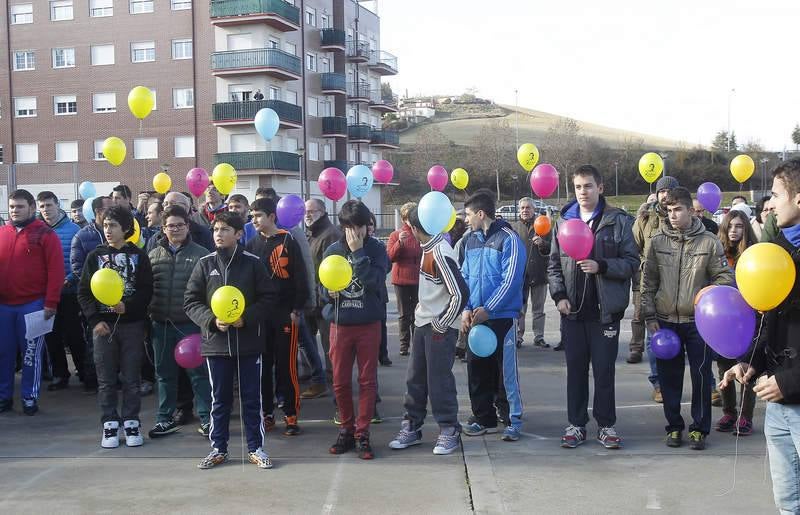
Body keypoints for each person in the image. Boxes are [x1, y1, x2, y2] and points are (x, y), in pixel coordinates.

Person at [721, 159, 800, 513]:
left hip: (792, 391)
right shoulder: (777, 249)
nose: (770, 203)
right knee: (787, 500)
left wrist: (790, 381)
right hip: (778, 403)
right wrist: (749, 362)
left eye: (777, 194)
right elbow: (768, 317)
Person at [549, 166, 638, 449]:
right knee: (575, 372)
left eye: (588, 186)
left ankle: (606, 426)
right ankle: (576, 425)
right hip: (572, 314)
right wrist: (559, 296)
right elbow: (554, 265)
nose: (583, 192)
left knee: (603, 372)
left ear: (600, 188)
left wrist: (602, 266)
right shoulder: (563, 220)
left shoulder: (619, 221)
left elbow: (631, 263)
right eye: (578, 187)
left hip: (604, 313)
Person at [642, 187, 733, 451]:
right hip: (665, 321)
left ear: (691, 211)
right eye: (668, 211)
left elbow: (725, 279)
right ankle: (674, 427)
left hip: (699, 324)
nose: (672, 215)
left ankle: (699, 429)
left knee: (701, 377)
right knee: (669, 379)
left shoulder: (709, 242)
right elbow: (648, 282)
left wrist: (705, 296)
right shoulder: (657, 242)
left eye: (678, 210)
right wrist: (649, 316)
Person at [184, 211, 278, 469]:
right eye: (216, 229)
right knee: (219, 398)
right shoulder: (204, 264)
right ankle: (218, 448)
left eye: (225, 229)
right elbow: (191, 301)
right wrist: (212, 321)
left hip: (248, 343)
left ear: (238, 234)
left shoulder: (253, 263)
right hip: (215, 344)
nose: (218, 234)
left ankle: (256, 448)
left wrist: (245, 318)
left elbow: (268, 299)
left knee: (251, 398)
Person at [389, 207, 468, 455]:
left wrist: (442, 322)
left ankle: (449, 429)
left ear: (413, 229)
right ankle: (412, 425)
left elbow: (460, 292)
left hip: (438, 327)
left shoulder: (440, 253)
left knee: (439, 380)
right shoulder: (428, 249)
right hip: (424, 323)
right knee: (415, 378)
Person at [77, 206, 153, 447]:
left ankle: (131, 421)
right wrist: (95, 320)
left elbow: (146, 290)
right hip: (103, 328)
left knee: (131, 377)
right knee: (106, 379)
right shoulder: (94, 256)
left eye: (113, 226)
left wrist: (128, 307)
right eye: (105, 225)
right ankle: (109, 424)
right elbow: (84, 292)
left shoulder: (139, 256)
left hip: (131, 325)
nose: (108, 230)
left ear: (126, 229)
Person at [321, 200, 388, 460]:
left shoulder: (376, 249)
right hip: (340, 324)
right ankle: (346, 429)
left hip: (368, 323)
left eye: (360, 226)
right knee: (339, 381)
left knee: (367, 380)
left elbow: (374, 282)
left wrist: (359, 253)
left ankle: (363, 433)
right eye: (350, 227)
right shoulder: (333, 251)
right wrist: (326, 292)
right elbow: (321, 286)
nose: (356, 232)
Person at [460, 190, 526, 442]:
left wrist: (489, 309)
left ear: (480, 213)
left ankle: (513, 420)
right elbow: (464, 277)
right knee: (477, 370)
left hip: (500, 317)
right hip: (476, 318)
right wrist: (466, 307)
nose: (465, 220)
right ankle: (483, 418)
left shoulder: (509, 239)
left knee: (505, 372)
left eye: (468, 214)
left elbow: (511, 280)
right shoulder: (470, 240)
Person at [147, 205, 213, 439]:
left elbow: (208, 292)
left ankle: (207, 419)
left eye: (180, 225)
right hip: (160, 324)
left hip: (191, 326)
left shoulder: (202, 254)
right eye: (170, 226)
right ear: (163, 228)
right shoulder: (153, 254)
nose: (175, 229)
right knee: (164, 374)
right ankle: (165, 419)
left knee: (199, 375)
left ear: (188, 226)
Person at [245, 198, 309, 436]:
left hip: (284, 315)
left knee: (286, 367)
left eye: (258, 215)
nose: (254, 220)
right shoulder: (251, 245)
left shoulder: (288, 240)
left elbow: (300, 278)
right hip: (261, 318)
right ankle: (267, 413)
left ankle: (291, 415)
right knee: (262, 368)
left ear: (272, 216)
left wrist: (296, 309)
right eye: (251, 215)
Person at [0, 190, 65, 415]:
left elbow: (56, 271)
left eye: (19, 206)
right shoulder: (2, 233)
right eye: (11, 206)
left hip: (33, 305)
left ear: (31, 208)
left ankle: (29, 397)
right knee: (4, 353)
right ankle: (4, 396)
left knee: (30, 355)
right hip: (4, 306)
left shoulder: (45, 234)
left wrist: (51, 302)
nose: (14, 210)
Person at [630, 175, 679, 399]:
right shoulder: (645, 218)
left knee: (683, 334)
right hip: (649, 285)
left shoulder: (681, 217)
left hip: (678, 285)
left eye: (669, 191)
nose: (665, 195)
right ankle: (658, 384)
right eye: (661, 191)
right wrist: (644, 267)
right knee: (653, 335)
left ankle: (699, 384)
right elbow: (632, 249)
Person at [714, 210, 758, 436]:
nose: (734, 230)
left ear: (746, 229)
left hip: (749, 318)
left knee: (748, 367)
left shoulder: (752, 254)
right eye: (730, 226)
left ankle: (745, 416)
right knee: (724, 366)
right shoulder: (718, 253)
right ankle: (729, 412)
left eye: (739, 226)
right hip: (723, 320)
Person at [37, 191, 83, 392]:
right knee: (52, 336)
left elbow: (79, 260)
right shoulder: (36, 230)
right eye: (42, 206)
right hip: (46, 294)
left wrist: (70, 279)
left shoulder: (73, 229)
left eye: (49, 205)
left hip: (69, 292)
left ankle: (85, 372)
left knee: (74, 335)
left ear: (57, 205)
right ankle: (59, 374)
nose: (46, 209)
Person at [305, 198, 341, 383]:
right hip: (311, 297)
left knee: (329, 343)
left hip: (324, 299)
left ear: (323, 211)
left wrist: (323, 294)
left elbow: (331, 268)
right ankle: (315, 375)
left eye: (312, 211)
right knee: (307, 341)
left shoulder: (330, 234)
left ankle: (333, 378)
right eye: (305, 212)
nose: (307, 215)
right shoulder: (312, 233)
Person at [513, 197, 551, 348]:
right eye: (522, 208)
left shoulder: (544, 226)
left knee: (539, 309)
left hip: (539, 274)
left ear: (534, 210)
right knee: (519, 309)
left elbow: (551, 248)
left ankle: (539, 336)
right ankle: (518, 336)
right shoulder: (514, 228)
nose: (525, 210)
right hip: (520, 276)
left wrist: (543, 244)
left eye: (528, 208)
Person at [387, 202, 422, 358]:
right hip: (401, 279)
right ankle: (403, 344)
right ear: (403, 218)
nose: (410, 220)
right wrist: (400, 243)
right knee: (403, 314)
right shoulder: (396, 234)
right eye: (407, 217)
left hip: (418, 279)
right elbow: (390, 257)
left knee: (417, 313)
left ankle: (417, 344)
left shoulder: (420, 233)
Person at [145, 192, 213, 253]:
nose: (167, 207)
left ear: (186, 207)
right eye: (165, 204)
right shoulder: (155, 239)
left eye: (172, 203)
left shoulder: (202, 234)